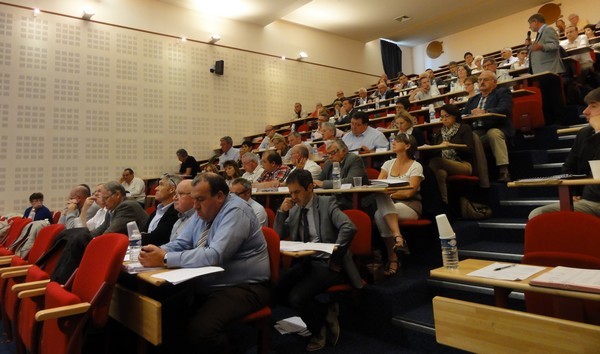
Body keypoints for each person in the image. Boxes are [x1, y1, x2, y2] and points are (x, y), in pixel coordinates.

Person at [139, 173, 270, 353]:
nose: (195, 206)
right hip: (209, 282)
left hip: (244, 286)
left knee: (201, 331)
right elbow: (182, 242)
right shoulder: (203, 209)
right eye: (193, 199)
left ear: (220, 196)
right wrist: (157, 251)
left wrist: (164, 258)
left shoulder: (236, 211)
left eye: (200, 199)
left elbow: (215, 255)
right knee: (165, 314)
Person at [274, 169, 359, 351]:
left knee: (297, 297)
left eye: (297, 192)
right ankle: (324, 312)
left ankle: (317, 330)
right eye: (291, 193)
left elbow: (349, 227)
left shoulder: (327, 203)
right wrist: (281, 212)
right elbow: (277, 236)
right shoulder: (295, 209)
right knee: (278, 290)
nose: (294, 197)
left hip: (329, 264)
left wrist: (335, 252)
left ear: (310, 187)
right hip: (306, 261)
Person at [528, 88, 600, 219]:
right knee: (538, 216)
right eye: (586, 106)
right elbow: (568, 167)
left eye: (593, 106)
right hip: (589, 201)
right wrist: (573, 192)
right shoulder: (584, 134)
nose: (585, 111)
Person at [373, 133, 423, 276]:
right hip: (391, 205)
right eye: (394, 140)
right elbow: (378, 186)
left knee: (380, 212)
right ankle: (398, 239)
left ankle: (392, 258)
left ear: (407, 146)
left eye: (398, 141)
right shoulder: (387, 164)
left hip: (410, 206)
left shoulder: (416, 166)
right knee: (379, 210)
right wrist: (389, 194)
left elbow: (409, 193)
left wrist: (390, 194)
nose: (393, 142)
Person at [462, 70, 514, 182]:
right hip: (478, 129)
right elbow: (463, 115)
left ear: (494, 82)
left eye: (485, 80)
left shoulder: (502, 92)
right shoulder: (473, 99)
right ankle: (475, 173)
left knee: (493, 133)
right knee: (469, 137)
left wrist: (484, 112)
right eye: (480, 80)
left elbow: (505, 109)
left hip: (498, 127)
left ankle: (504, 171)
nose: (481, 82)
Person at [427, 104, 474, 204]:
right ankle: (443, 205)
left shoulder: (464, 128)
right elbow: (434, 150)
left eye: (446, 116)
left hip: (463, 164)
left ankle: (429, 197)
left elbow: (469, 150)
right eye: (442, 117)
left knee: (435, 162)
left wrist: (452, 145)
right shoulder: (439, 132)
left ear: (455, 116)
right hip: (445, 164)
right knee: (440, 173)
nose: (444, 119)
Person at [315, 139, 368, 209]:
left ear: (344, 151)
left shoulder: (354, 159)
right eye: (328, 154)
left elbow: (350, 181)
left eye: (333, 153)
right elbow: (319, 180)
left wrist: (323, 184)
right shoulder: (328, 163)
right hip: (334, 200)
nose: (330, 157)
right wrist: (314, 183)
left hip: (351, 199)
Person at [141, 174, 180, 246]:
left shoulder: (175, 212)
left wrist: (136, 238)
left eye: (161, 185)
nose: (156, 188)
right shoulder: (156, 212)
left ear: (172, 189)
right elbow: (144, 232)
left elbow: (155, 239)